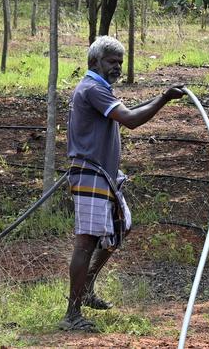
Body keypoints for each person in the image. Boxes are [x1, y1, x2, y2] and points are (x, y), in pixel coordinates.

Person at [60, 35, 186, 332]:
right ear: (94, 62)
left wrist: (158, 98)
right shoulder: (93, 88)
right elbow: (130, 119)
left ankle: (87, 287)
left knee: (121, 226)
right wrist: (164, 98)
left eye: (120, 62)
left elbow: (125, 113)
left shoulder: (99, 90)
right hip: (91, 174)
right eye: (111, 62)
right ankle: (72, 314)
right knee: (86, 242)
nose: (117, 67)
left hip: (101, 176)